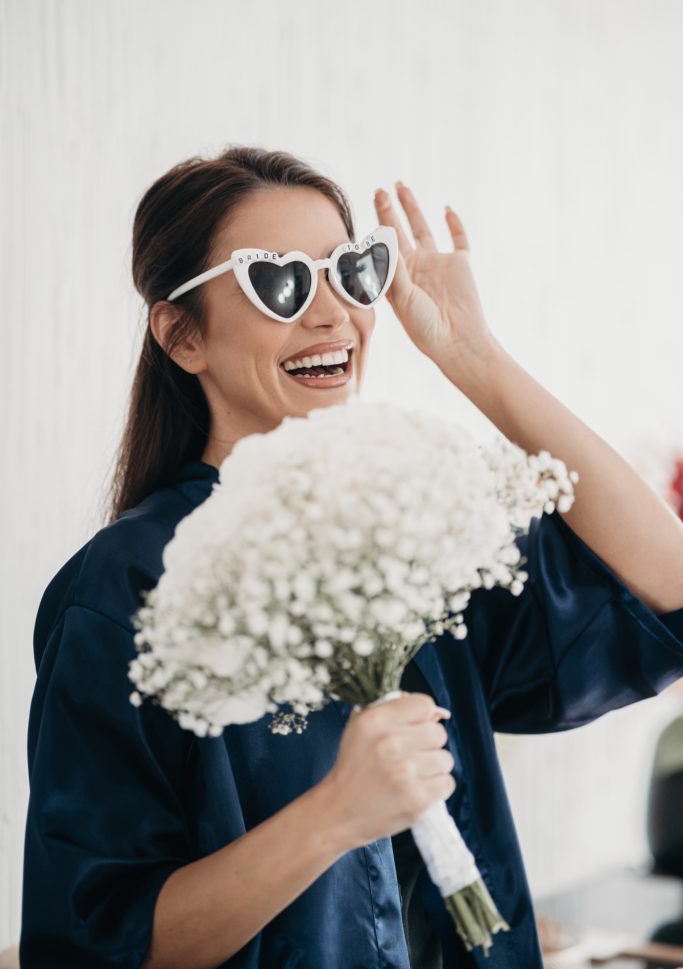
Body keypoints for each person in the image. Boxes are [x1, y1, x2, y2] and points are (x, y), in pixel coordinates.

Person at [19, 145, 683, 969]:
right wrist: (336, 811)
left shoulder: (409, 534)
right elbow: (95, 943)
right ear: (181, 334)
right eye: (282, 281)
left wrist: (472, 354)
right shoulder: (122, 590)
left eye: (350, 270)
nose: (333, 313)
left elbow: (666, 586)